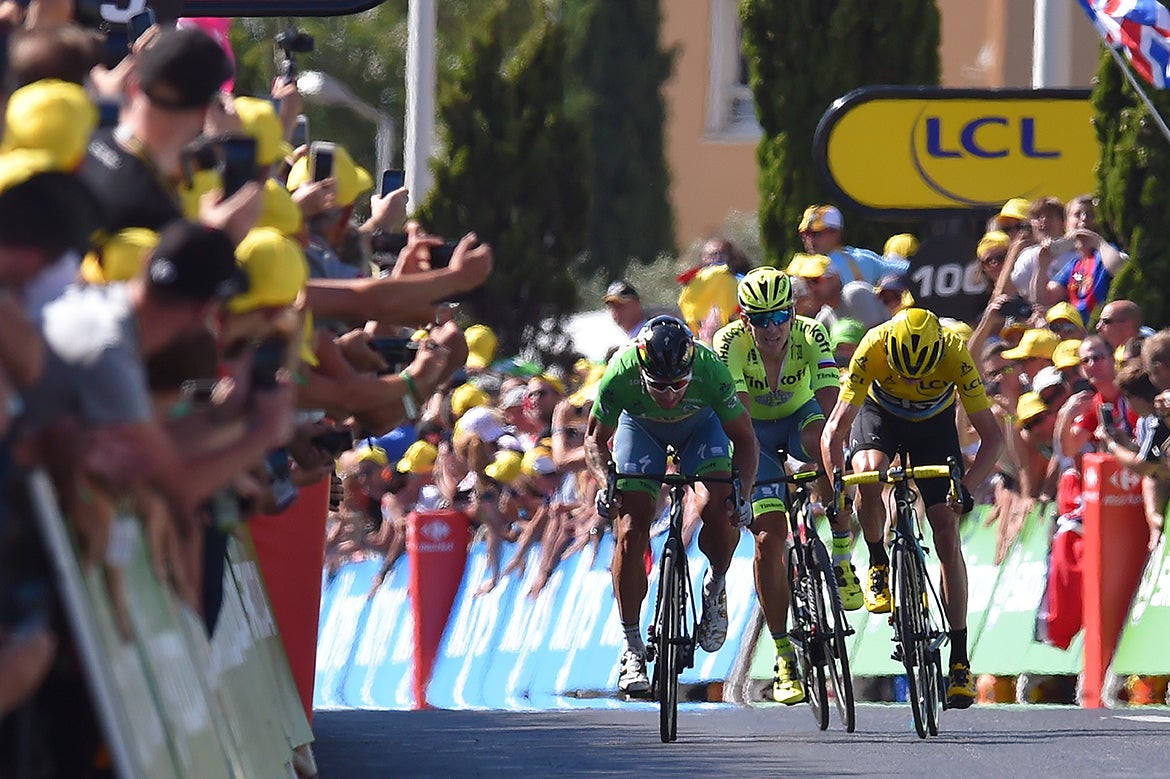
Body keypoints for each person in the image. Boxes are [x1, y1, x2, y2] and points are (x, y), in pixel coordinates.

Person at [820, 308, 1003, 709]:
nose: (911, 383)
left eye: (920, 376)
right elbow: (834, 429)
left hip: (934, 424)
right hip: (879, 414)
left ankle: (958, 660)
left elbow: (993, 437)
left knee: (945, 529)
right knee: (867, 473)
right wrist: (837, 484)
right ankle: (877, 559)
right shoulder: (873, 345)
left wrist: (966, 490)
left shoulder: (955, 351)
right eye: (903, 374)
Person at [584, 315, 758, 695]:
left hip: (700, 427)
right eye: (658, 386)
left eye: (678, 385)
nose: (668, 395)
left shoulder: (711, 370)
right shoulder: (621, 371)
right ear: (642, 370)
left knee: (719, 506)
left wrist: (742, 493)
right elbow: (595, 441)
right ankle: (631, 647)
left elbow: (746, 441)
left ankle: (715, 583)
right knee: (630, 527)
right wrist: (606, 483)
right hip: (640, 428)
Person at [712, 267, 860, 705]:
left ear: (792, 312)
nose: (773, 327)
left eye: (780, 316)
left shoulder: (813, 335)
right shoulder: (728, 344)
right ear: (745, 321)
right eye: (761, 319)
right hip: (753, 431)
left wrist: (834, 464)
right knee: (767, 540)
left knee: (824, 443)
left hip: (802, 419)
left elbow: (834, 412)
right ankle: (782, 655)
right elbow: (736, 422)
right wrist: (749, 477)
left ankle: (842, 552)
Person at [796, 205, 908, 285]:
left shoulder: (855, 260)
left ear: (836, 233)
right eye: (805, 234)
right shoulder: (860, 257)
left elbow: (901, 268)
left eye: (816, 233)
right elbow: (902, 268)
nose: (809, 239)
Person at [786, 252, 888, 331]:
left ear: (835, 277)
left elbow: (880, 338)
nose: (812, 288)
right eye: (807, 283)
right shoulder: (824, 317)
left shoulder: (855, 293)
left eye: (815, 280)